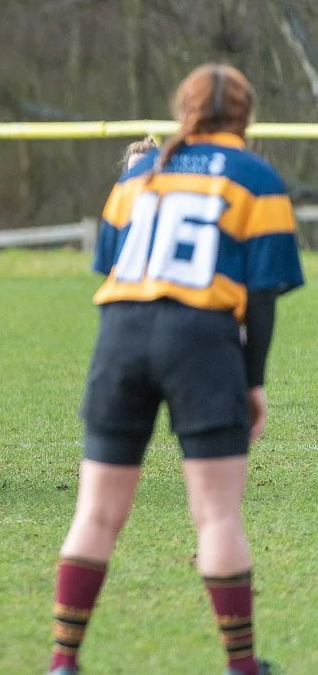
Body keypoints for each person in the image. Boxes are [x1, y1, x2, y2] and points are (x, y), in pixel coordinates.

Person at [47, 65, 301, 675]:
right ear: (246, 115)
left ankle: (62, 661)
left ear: (183, 109)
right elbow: (261, 295)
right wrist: (253, 379)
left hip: (122, 337)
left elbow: (110, 264)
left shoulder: (139, 177)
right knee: (216, 514)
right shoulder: (257, 178)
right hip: (202, 338)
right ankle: (241, 666)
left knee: (96, 513)